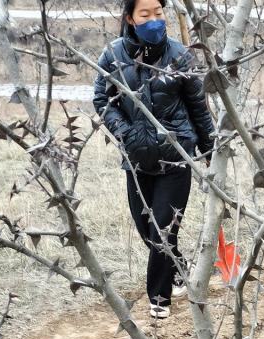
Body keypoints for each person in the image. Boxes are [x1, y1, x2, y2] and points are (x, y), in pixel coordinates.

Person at [92, 0, 215, 319]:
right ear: (130, 19)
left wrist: (210, 152)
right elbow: (102, 98)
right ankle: (177, 269)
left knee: (163, 229)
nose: (154, 21)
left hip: (176, 157)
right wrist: (125, 132)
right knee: (147, 228)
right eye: (145, 15)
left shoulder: (179, 56)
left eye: (159, 14)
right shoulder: (113, 54)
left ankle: (159, 300)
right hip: (137, 158)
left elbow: (198, 108)